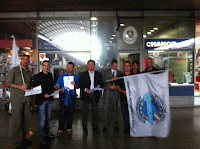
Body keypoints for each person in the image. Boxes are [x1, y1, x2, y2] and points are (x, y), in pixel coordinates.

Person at [6, 55, 33, 149]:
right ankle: (17, 143)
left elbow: (28, 85)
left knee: (26, 121)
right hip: (17, 99)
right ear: (21, 60)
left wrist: (31, 88)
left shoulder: (29, 72)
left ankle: (24, 140)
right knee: (17, 121)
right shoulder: (14, 70)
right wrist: (19, 87)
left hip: (27, 99)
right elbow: (8, 83)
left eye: (27, 60)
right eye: (24, 59)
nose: (25, 61)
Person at [31, 60, 55, 144]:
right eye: (45, 65)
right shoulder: (37, 76)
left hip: (50, 100)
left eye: (48, 66)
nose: (47, 67)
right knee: (42, 119)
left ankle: (47, 134)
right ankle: (42, 137)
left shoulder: (50, 75)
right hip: (42, 101)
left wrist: (54, 91)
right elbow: (35, 89)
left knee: (48, 118)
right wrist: (43, 94)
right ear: (42, 66)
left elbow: (51, 86)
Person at [79, 60, 103, 133]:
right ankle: (84, 127)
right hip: (86, 95)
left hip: (95, 95)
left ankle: (95, 126)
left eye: (92, 64)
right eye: (89, 64)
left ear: (94, 65)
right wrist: (85, 89)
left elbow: (101, 83)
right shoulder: (83, 74)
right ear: (87, 65)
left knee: (95, 111)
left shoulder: (98, 74)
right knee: (85, 112)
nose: (90, 66)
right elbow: (80, 84)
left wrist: (99, 86)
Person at [56, 62, 79, 136]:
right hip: (64, 96)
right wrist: (60, 89)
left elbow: (77, 87)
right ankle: (60, 129)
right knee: (62, 113)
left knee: (71, 113)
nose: (69, 68)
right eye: (68, 67)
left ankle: (69, 128)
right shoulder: (62, 76)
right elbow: (57, 85)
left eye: (70, 67)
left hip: (72, 96)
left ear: (73, 68)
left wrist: (74, 84)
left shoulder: (76, 76)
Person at [102, 59, 121, 132]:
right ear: (111, 65)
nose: (115, 67)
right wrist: (111, 79)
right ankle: (105, 125)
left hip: (115, 93)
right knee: (105, 110)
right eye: (114, 66)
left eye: (116, 66)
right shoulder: (106, 72)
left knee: (115, 110)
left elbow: (120, 83)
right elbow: (103, 80)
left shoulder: (119, 73)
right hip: (107, 93)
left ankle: (116, 125)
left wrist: (115, 87)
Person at [116, 61, 133, 133]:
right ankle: (126, 129)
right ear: (123, 67)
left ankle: (133, 128)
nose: (127, 67)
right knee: (125, 114)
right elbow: (117, 86)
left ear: (130, 67)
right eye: (125, 66)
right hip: (123, 98)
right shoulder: (120, 76)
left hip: (133, 99)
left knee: (132, 114)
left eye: (128, 66)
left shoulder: (134, 76)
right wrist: (123, 91)